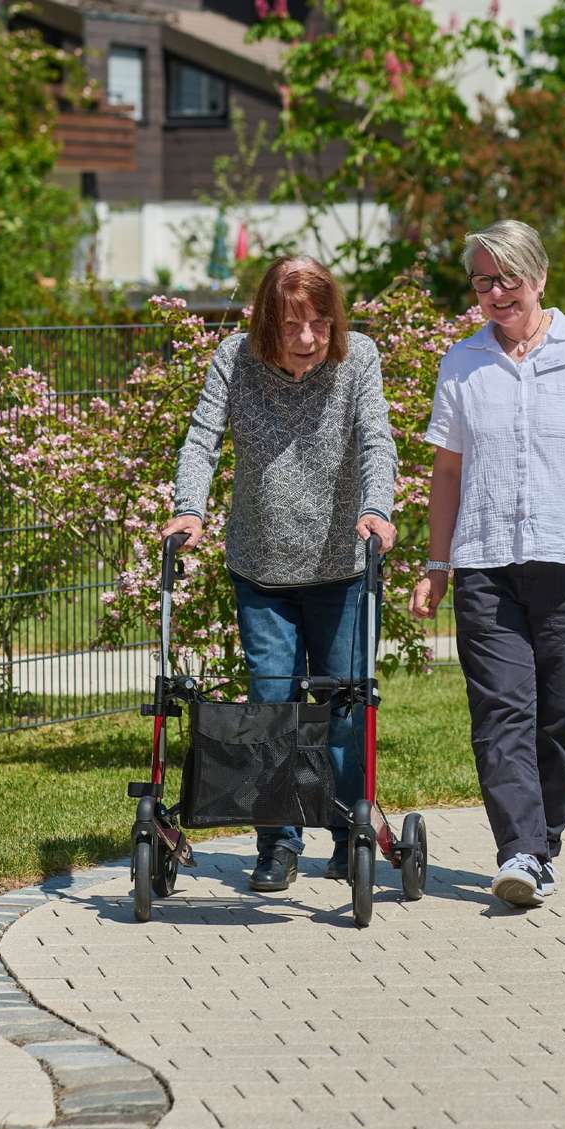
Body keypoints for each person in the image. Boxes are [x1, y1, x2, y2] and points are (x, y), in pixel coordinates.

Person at [409, 220, 565, 908]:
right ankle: (520, 849)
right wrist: (437, 561)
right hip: (486, 564)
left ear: (539, 278)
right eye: (484, 280)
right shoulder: (462, 363)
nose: (496, 291)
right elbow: (447, 473)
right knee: (500, 708)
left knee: (563, 713)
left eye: (508, 277)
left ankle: (543, 841)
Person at [161, 255, 396, 893]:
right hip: (260, 568)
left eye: (320, 323)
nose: (307, 338)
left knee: (345, 707)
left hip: (340, 568)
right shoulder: (234, 359)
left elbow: (377, 439)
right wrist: (189, 508)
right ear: (269, 319)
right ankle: (278, 842)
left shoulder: (359, 360)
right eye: (293, 323)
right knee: (272, 706)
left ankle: (351, 836)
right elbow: (202, 437)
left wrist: (377, 509)